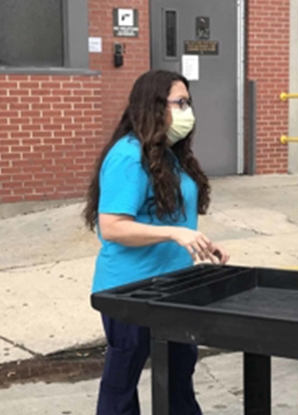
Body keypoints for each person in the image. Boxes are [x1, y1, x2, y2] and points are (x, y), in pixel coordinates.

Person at [84, 69, 229, 415]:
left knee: (179, 378)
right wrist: (175, 234)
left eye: (188, 104)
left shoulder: (169, 154)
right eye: (180, 103)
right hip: (130, 291)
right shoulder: (127, 156)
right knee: (121, 386)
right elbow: (113, 227)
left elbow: (171, 218)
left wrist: (199, 243)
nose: (187, 112)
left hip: (174, 286)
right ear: (154, 105)